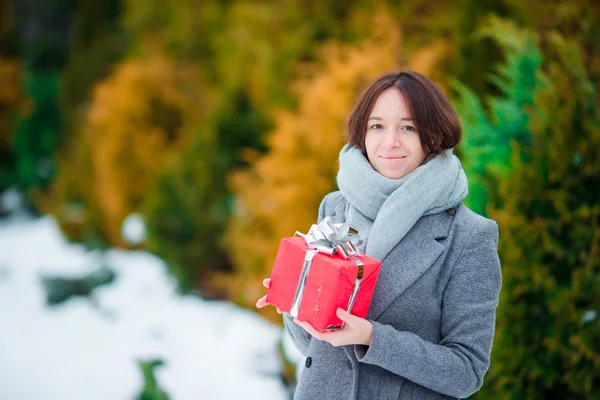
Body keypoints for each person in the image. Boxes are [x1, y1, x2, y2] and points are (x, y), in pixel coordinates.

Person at [256, 71, 502, 399]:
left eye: (408, 127)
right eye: (377, 126)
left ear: (435, 135)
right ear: (362, 133)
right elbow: (316, 349)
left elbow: (466, 371)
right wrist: (294, 302)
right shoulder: (336, 208)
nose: (390, 142)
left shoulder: (469, 235)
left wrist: (372, 338)